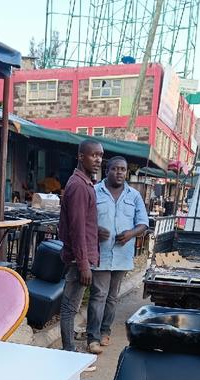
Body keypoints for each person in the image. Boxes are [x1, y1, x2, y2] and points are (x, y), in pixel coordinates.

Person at [87, 156, 148, 350]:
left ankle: (105, 331)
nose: (119, 172)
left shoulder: (134, 195)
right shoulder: (94, 191)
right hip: (100, 253)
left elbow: (143, 223)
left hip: (122, 255)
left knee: (112, 297)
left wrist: (131, 233)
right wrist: (95, 230)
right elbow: (83, 219)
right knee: (99, 295)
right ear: (107, 171)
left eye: (122, 169)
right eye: (115, 169)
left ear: (126, 172)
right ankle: (92, 337)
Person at [58, 140, 104, 358]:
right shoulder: (78, 185)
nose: (98, 160)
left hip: (82, 256)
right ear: (80, 156)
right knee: (69, 308)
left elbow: (83, 223)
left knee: (72, 306)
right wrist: (84, 264)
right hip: (79, 258)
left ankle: (69, 350)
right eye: (93, 155)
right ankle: (69, 353)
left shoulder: (85, 183)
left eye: (100, 156)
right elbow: (76, 229)